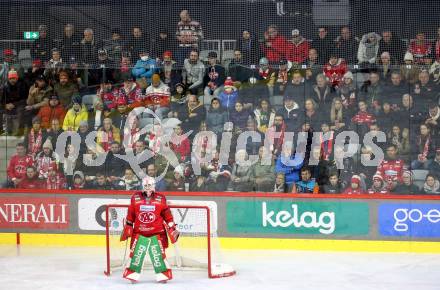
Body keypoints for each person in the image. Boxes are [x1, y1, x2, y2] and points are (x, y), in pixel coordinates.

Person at [120, 176, 179, 282]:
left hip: (157, 233)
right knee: (135, 255)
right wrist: (128, 226)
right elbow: (131, 214)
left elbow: (167, 215)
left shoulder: (161, 198)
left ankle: (163, 276)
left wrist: (172, 227)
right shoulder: (135, 197)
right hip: (139, 232)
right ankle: (133, 275)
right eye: (146, 185)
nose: (148, 187)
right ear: (142, 186)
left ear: (154, 186)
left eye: (150, 185)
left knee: (159, 256)